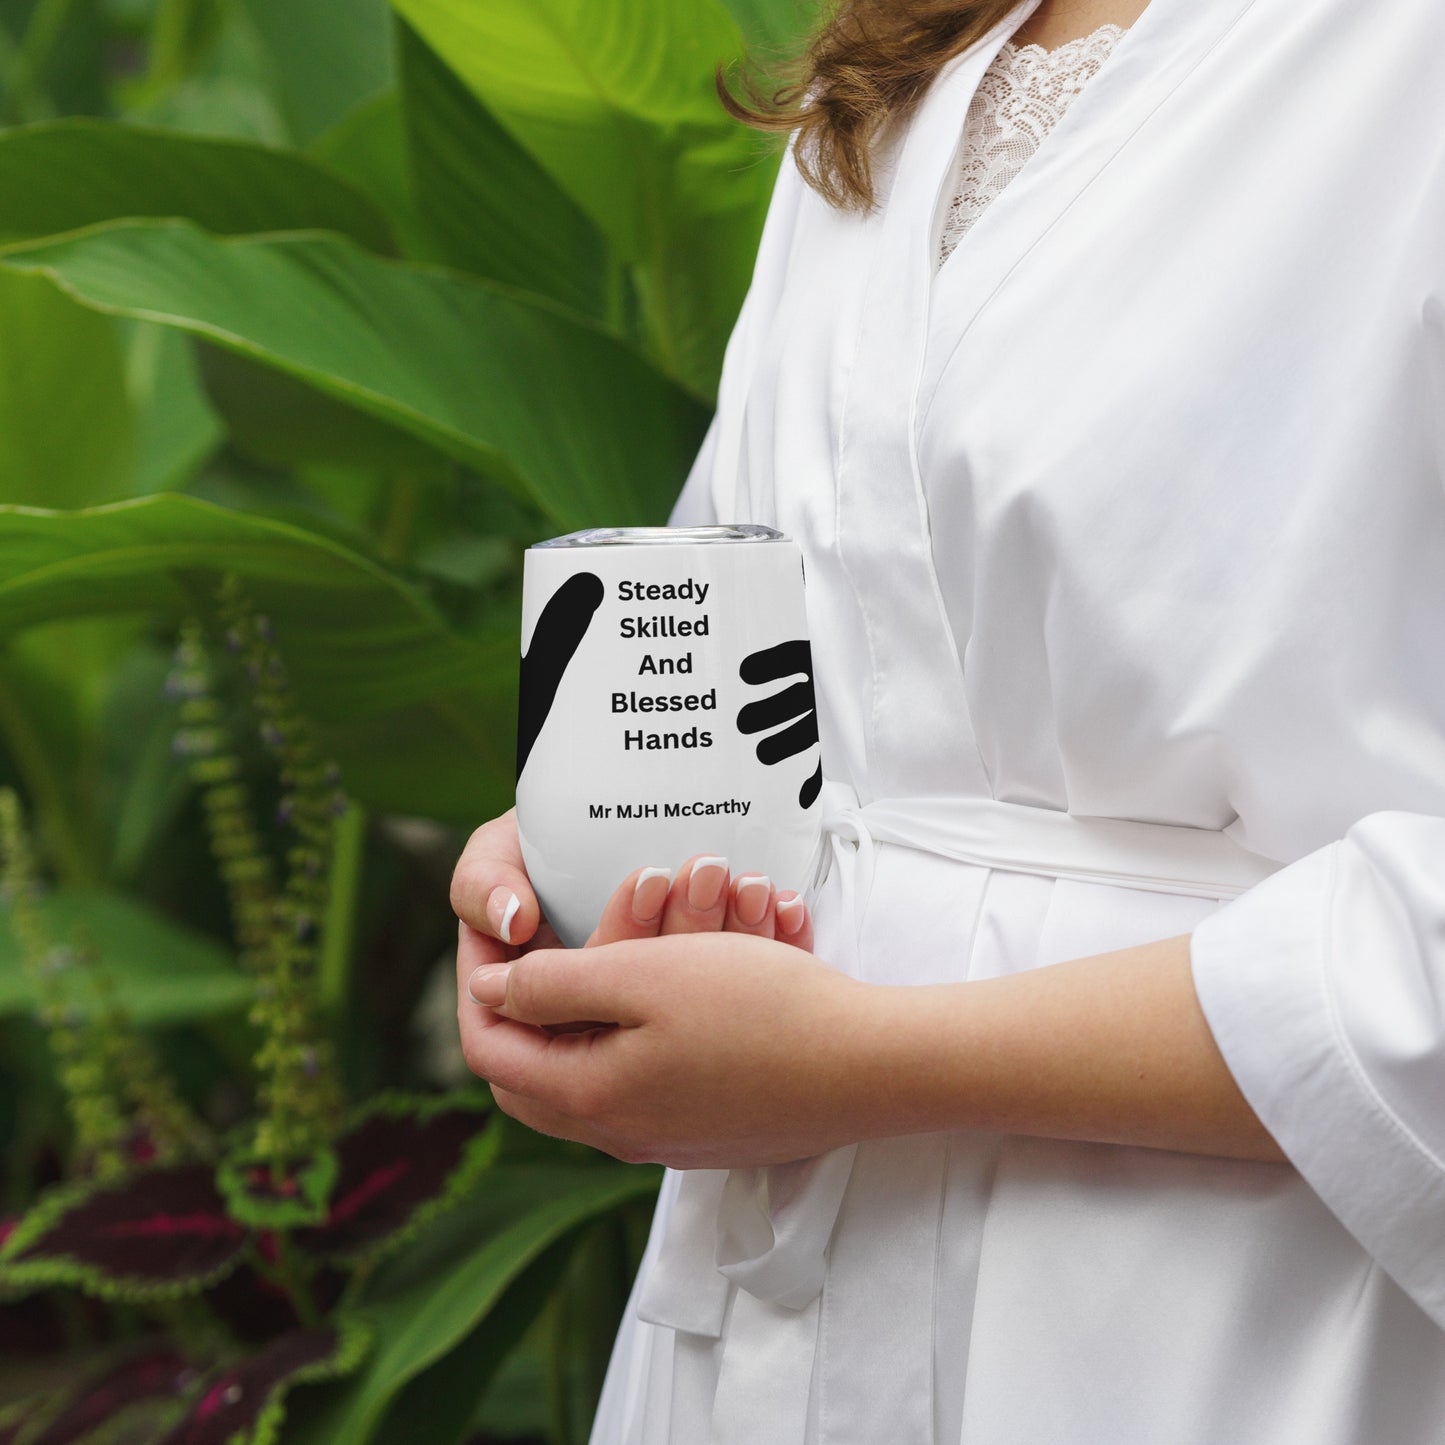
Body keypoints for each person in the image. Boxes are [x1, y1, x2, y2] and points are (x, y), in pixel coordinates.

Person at [451, 0, 1445, 1439]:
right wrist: (584, 860)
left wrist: (863, 1058)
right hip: (779, 1309)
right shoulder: (903, 55)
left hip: (1234, 1315)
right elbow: (785, 648)